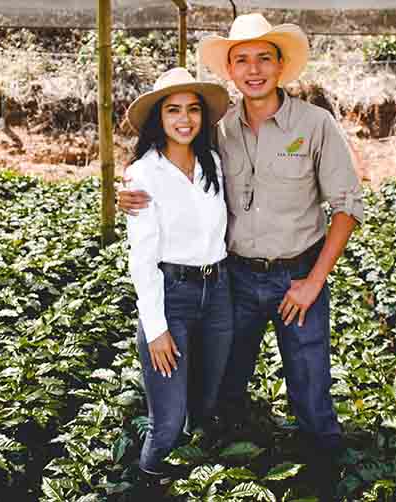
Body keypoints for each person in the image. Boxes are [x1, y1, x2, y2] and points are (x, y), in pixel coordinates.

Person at [119, 14, 364, 502]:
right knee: (226, 382)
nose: (253, 70)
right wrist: (127, 191)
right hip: (233, 280)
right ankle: (222, 470)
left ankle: (330, 474)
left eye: (263, 58)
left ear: (280, 65)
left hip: (298, 277)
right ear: (230, 70)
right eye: (241, 60)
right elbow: (166, 172)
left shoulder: (315, 125)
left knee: (310, 385)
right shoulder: (219, 133)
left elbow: (347, 206)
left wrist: (314, 282)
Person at [122, 67, 234, 497]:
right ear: (159, 118)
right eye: (173, 110)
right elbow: (142, 259)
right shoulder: (143, 175)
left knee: (204, 406)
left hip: (218, 294)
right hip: (174, 298)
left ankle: (192, 482)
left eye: (192, 110)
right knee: (167, 425)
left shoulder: (214, 164)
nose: (184, 119)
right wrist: (157, 330)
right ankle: (147, 483)